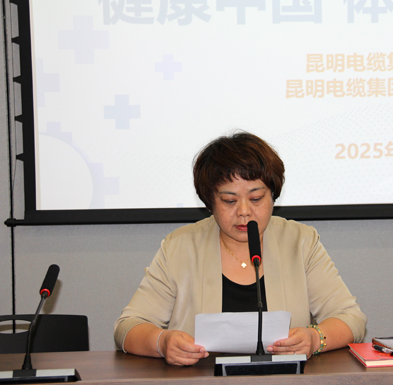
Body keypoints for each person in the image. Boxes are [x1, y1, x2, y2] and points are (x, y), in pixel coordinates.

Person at [114, 132, 367, 366]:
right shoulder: (180, 247)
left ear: (273, 196)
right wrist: (161, 343)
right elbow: (127, 327)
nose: (244, 211)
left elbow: (351, 318)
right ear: (209, 201)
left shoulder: (301, 242)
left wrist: (315, 338)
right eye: (229, 200)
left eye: (256, 198)